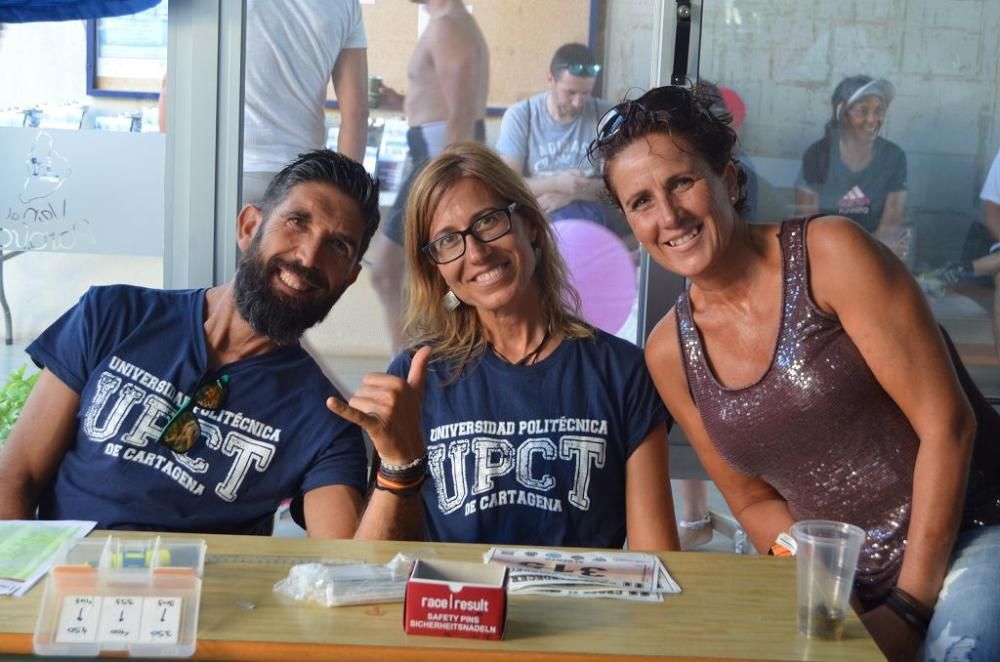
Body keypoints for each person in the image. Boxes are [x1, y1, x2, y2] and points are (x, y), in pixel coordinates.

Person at [592, 84, 1000, 659]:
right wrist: (826, 589)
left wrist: (907, 609)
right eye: (640, 202)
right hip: (843, 576)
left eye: (682, 182)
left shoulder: (831, 255)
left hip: (971, 531)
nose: (669, 216)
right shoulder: (668, 352)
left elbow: (948, 425)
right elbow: (753, 502)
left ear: (728, 179)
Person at [0, 150, 415, 540]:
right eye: (297, 222)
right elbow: (17, 476)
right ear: (249, 226)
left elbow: (347, 564)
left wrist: (398, 464)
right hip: (66, 594)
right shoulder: (111, 315)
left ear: (349, 278)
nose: (308, 257)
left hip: (205, 610)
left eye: (338, 246)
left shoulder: (325, 419)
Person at [329, 142, 679, 550]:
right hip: (455, 609)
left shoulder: (621, 372)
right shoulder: (415, 377)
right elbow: (374, 566)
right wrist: (397, 463)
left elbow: (656, 560)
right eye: (447, 241)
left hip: (583, 609)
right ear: (437, 269)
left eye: (489, 221)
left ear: (529, 224)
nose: (476, 252)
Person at [368, 0, 489, 352]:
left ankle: (414, 370)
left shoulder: (449, 25)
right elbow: (445, 103)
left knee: (390, 274)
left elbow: (463, 112)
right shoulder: (448, 23)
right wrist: (401, 102)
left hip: (437, 161)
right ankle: (424, 361)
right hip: (432, 157)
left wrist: (451, 182)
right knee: (431, 278)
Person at [241, 0, 369, 205]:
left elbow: (176, 82)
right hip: (304, 178)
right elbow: (357, 114)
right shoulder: (346, 4)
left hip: (226, 168)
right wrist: (343, 197)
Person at [494, 43, 628, 238]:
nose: (578, 102)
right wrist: (556, 183)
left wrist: (573, 194)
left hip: (591, 214)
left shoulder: (605, 115)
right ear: (550, 79)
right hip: (539, 210)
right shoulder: (522, 116)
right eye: (571, 93)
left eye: (586, 93)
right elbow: (507, 185)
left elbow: (620, 185)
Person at [795, 75, 907, 247]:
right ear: (841, 113)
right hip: (827, 256)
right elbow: (808, 229)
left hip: (874, 257)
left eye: (879, 110)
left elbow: (889, 229)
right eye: (862, 111)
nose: (872, 120)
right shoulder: (818, 156)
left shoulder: (893, 157)